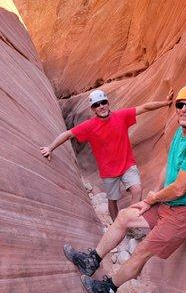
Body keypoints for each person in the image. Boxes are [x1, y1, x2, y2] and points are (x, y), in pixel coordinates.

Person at [63, 84, 186, 293]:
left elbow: (180, 188)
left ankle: (107, 289)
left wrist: (153, 198)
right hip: (168, 204)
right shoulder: (180, 134)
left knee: (142, 250)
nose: (184, 109)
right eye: (180, 104)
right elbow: (169, 167)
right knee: (125, 216)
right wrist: (150, 199)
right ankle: (92, 260)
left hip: (184, 213)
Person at [41, 88, 173, 220]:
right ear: (93, 109)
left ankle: (130, 219)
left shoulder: (121, 116)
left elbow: (144, 108)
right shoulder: (89, 126)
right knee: (112, 200)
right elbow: (68, 134)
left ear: (108, 103)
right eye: (96, 105)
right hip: (108, 171)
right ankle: (117, 224)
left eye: (103, 103)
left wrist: (165, 103)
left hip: (127, 165)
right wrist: (50, 148)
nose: (101, 107)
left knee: (137, 190)